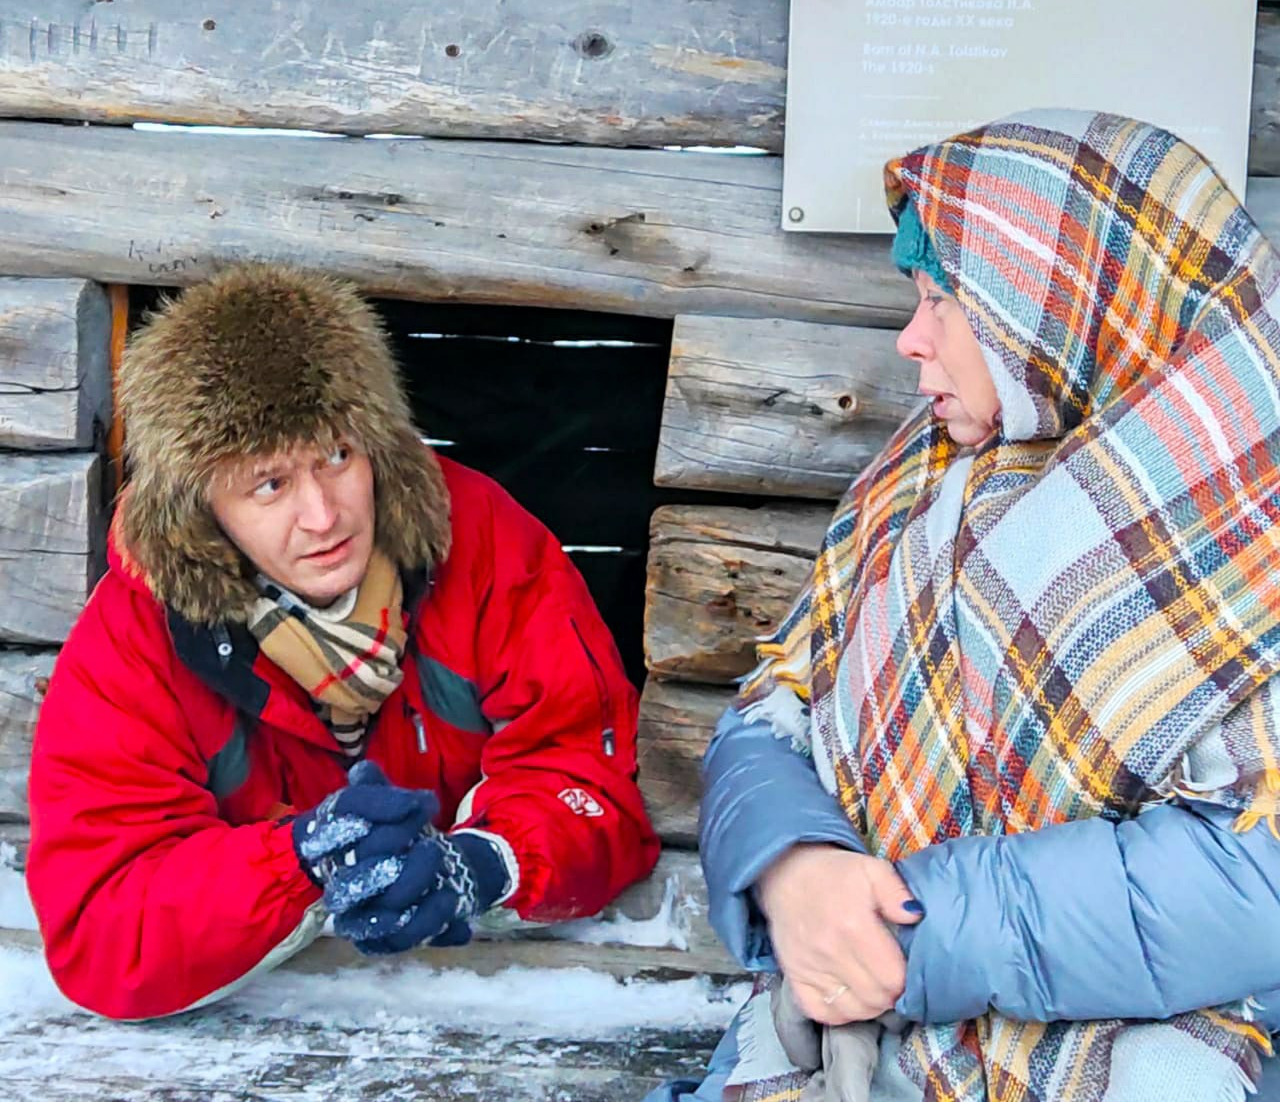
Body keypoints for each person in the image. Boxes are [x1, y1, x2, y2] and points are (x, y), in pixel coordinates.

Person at [653, 110, 1280, 1102]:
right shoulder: (918, 481)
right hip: (861, 1019)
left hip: (1152, 1051)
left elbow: (1254, 882)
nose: (910, 338)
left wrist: (906, 931)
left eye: (944, 299)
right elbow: (771, 711)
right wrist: (791, 863)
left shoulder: (1247, 517)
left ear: (1063, 301)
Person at [26, 263, 659, 1020]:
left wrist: (484, 862)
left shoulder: (485, 541)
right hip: (262, 1034)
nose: (323, 515)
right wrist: (302, 860)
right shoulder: (135, 636)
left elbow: (590, 775)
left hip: (497, 1001)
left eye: (336, 456)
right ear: (202, 509)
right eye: (269, 483)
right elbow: (103, 925)